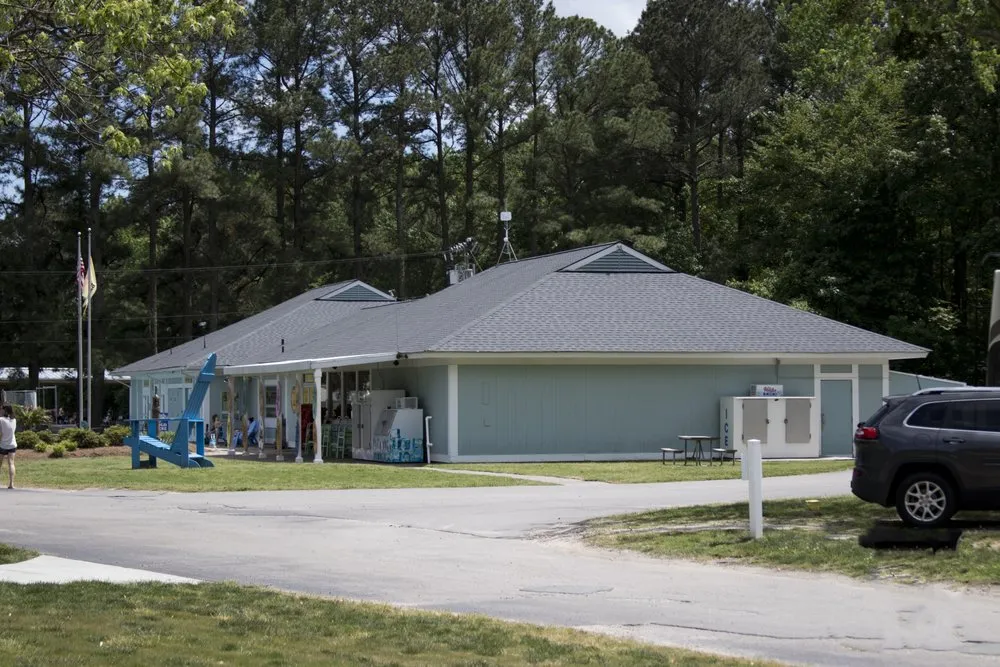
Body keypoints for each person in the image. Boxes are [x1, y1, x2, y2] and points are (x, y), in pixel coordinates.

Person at [0, 405, 16, 489]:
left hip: (3, 444)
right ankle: (11, 484)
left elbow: (1, 433)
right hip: (12, 444)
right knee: (11, 463)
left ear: (5, 411)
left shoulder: (1, 420)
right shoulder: (14, 420)